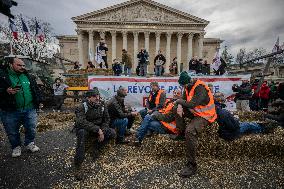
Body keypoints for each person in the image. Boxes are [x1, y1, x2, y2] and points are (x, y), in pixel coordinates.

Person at [175, 71, 217, 178]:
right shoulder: (188, 87)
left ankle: (192, 165)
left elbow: (192, 104)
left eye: (184, 85)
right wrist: (179, 105)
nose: (183, 87)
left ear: (189, 81)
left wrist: (179, 101)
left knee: (190, 131)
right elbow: (184, 100)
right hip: (196, 112)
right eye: (182, 85)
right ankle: (180, 133)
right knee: (176, 108)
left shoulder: (200, 88)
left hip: (205, 116)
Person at [0, 57, 42, 157]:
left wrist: (39, 101)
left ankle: (29, 143)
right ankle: (16, 147)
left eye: (23, 65)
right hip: (10, 109)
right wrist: (5, 91)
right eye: (19, 65)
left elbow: (35, 89)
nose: (22, 67)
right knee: (12, 130)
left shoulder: (28, 76)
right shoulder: (2, 76)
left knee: (31, 127)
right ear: (11, 65)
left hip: (30, 108)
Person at [73, 88, 116, 180]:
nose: (97, 98)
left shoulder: (102, 104)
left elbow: (106, 119)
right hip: (86, 128)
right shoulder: (81, 107)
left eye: (98, 96)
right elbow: (80, 122)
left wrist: (103, 130)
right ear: (89, 98)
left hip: (98, 128)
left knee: (112, 133)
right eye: (94, 96)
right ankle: (78, 165)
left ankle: (95, 147)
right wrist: (97, 130)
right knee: (81, 134)